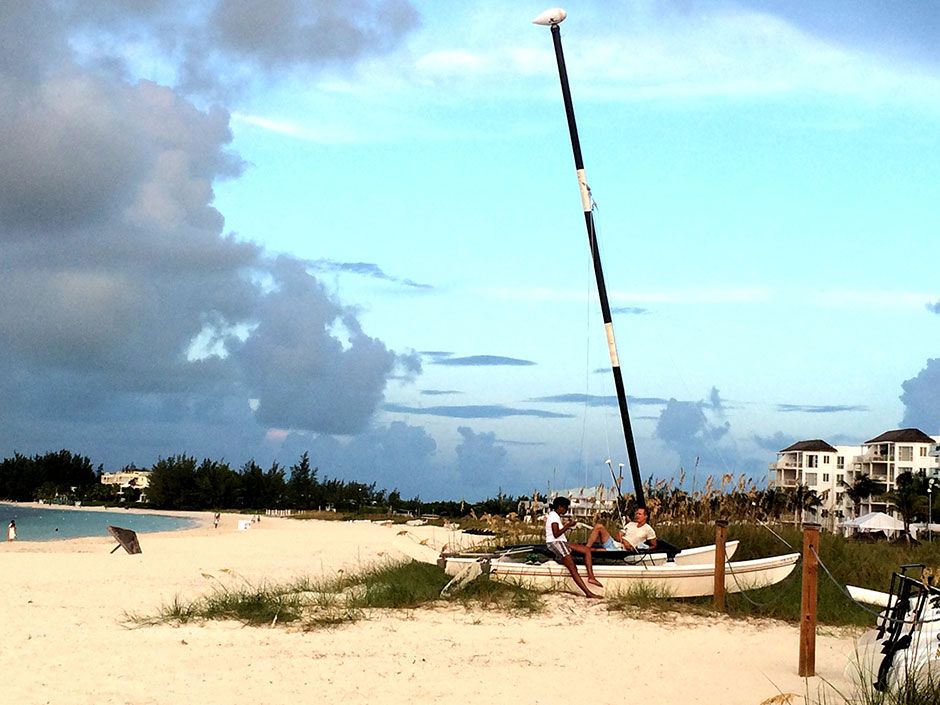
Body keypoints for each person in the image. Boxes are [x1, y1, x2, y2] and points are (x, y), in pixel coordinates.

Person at [544, 497, 602, 598]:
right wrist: (567, 526)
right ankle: (588, 593)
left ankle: (591, 577)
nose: (566, 510)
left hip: (561, 542)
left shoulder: (556, 516)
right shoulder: (553, 517)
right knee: (573, 568)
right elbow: (556, 534)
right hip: (556, 542)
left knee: (586, 550)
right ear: (560, 507)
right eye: (566, 507)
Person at [586, 506, 657, 553]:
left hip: (621, 550)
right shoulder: (631, 524)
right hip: (614, 543)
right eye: (636, 514)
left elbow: (654, 545)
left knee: (595, 550)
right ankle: (586, 548)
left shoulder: (648, 529)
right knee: (599, 526)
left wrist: (643, 549)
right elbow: (618, 536)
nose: (637, 515)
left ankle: (587, 551)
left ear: (645, 516)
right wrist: (622, 539)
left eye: (639, 514)